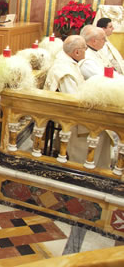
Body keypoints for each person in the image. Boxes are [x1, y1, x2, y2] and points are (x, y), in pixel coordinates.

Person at [44, 35, 111, 168]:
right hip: (71, 113)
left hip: (73, 106)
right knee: (102, 127)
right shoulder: (65, 70)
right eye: (85, 49)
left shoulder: (68, 61)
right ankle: (87, 166)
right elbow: (73, 99)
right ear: (76, 52)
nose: (86, 52)